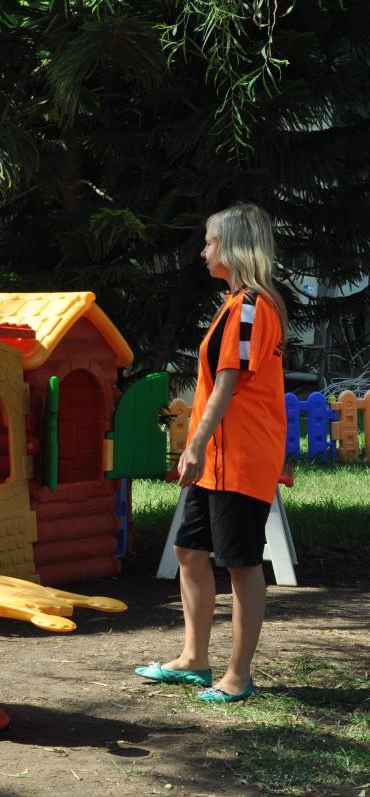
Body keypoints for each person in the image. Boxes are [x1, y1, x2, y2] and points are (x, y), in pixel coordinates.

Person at [135, 203, 286, 703]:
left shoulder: (249, 307)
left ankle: (238, 676)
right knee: (189, 551)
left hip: (239, 459)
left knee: (241, 564)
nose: (203, 250)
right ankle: (195, 659)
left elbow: (228, 384)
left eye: (210, 241)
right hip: (219, 460)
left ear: (235, 247)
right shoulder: (234, 304)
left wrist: (194, 445)